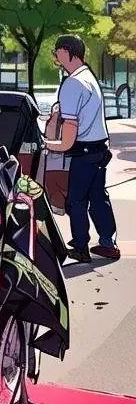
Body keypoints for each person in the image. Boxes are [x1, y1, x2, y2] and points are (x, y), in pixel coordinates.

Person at [43, 35, 119, 263]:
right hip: (99, 147)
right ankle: (108, 243)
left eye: (58, 51)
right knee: (98, 196)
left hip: (83, 151)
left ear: (68, 52)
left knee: (76, 200)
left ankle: (80, 247)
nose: (55, 55)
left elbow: (68, 136)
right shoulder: (88, 77)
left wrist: (47, 144)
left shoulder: (72, 84)